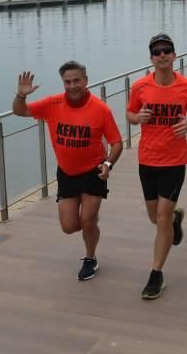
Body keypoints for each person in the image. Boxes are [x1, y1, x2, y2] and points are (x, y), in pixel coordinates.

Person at [13, 62, 123, 281]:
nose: (72, 86)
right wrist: (21, 96)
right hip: (66, 174)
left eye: (76, 80)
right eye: (67, 81)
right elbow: (20, 111)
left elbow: (117, 142)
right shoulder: (53, 103)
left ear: (86, 80)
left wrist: (108, 164)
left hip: (93, 172)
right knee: (70, 226)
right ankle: (89, 221)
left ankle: (90, 258)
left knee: (88, 220)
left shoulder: (100, 109)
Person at [126, 33, 187, 300]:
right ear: (151, 58)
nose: (162, 55)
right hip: (147, 159)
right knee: (155, 217)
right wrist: (138, 117)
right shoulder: (140, 86)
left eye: (166, 50)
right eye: (157, 51)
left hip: (174, 161)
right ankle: (176, 219)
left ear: (174, 55)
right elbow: (129, 113)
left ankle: (156, 274)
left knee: (160, 220)